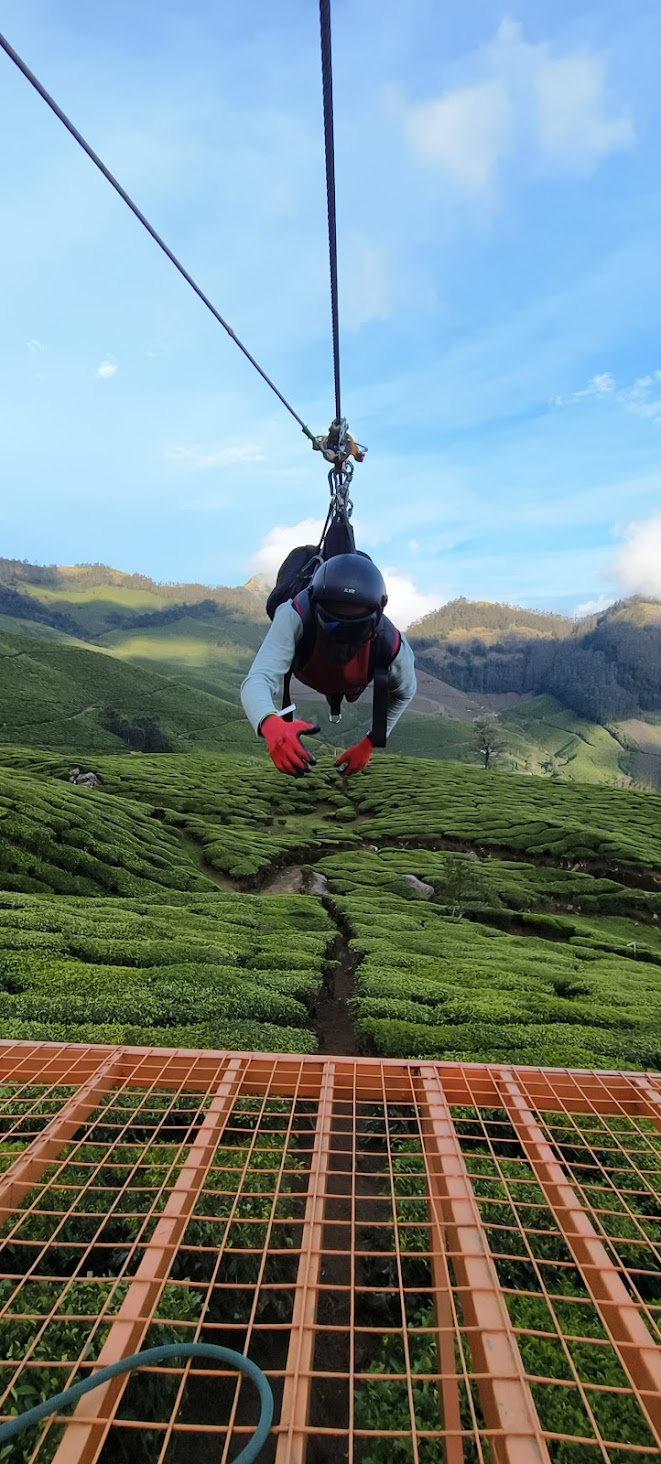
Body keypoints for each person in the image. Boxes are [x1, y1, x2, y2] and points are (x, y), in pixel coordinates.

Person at [241, 554, 416, 776]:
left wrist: (371, 742)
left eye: (357, 629)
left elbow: (405, 692)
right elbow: (258, 679)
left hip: (346, 679)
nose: (343, 641)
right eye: (332, 623)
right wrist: (271, 723)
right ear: (315, 610)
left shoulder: (391, 643)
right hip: (315, 669)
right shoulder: (293, 615)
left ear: (376, 619)